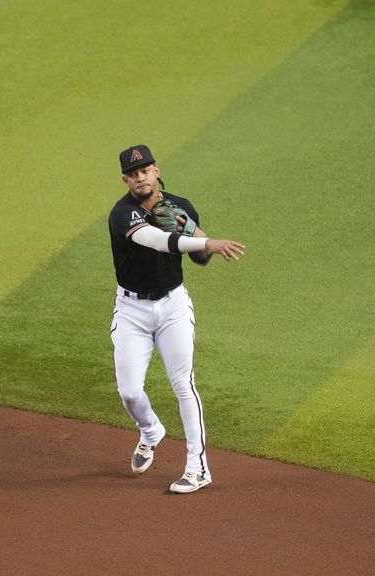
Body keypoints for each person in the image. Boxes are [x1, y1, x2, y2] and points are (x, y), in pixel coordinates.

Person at [107, 144, 244, 493]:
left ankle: (198, 468)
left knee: (184, 384)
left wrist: (198, 235)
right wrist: (206, 242)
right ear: (126, 180)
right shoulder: (123, 214)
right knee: (129, 392)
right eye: (133, 174)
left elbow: (199, 259)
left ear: (156, 170)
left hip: (172, 307)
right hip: (132, 311)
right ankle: (151, 430)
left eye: (145, 170)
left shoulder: (180, 205)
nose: (140, 177)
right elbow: (156, 240)